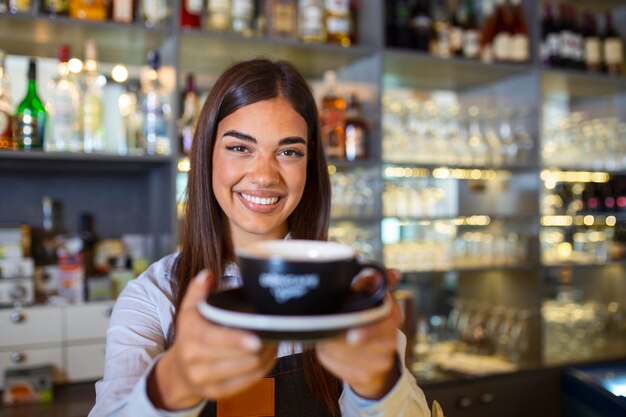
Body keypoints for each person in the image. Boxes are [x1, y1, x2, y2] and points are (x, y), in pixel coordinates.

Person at [89, 58, 430, 417]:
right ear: (206, 155)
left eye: (288, 152)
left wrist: (378, 385)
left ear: (310, 169)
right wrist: (175, 382)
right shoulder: (152, 296)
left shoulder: (348, 292)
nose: (265, 175)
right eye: (240, 147)